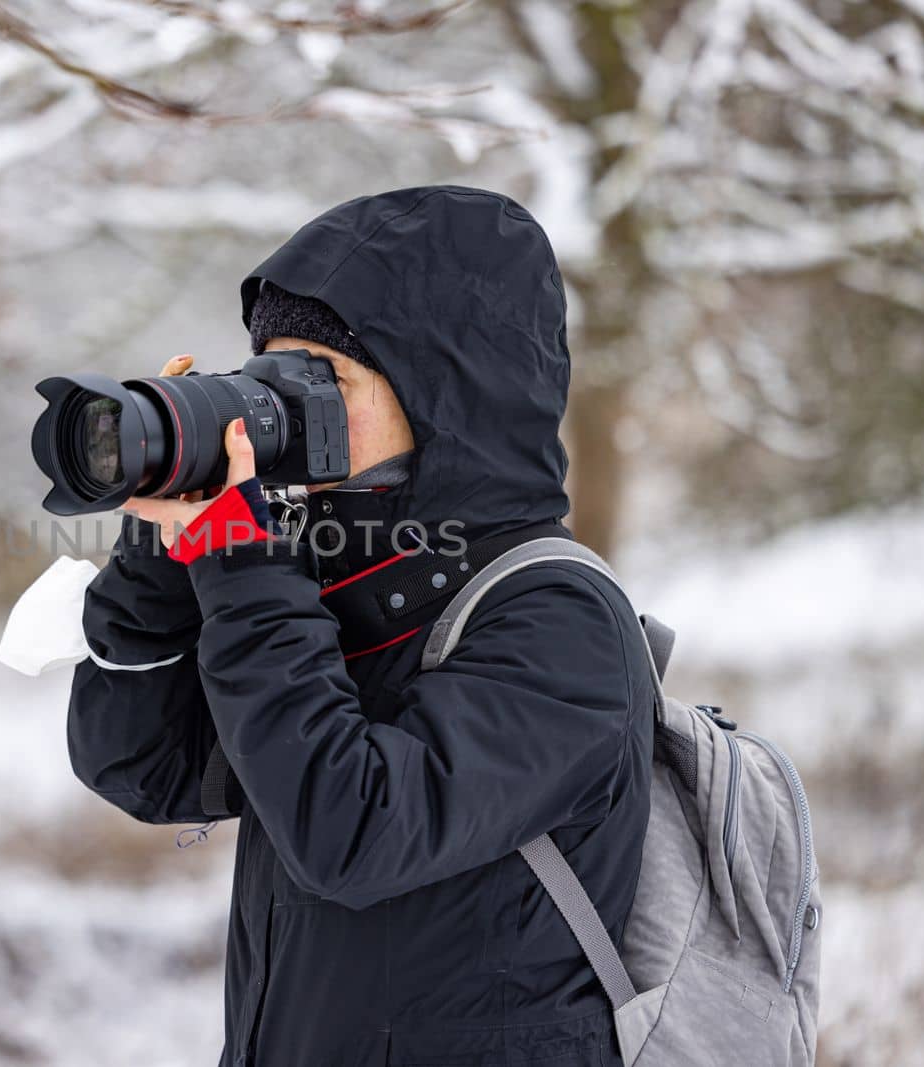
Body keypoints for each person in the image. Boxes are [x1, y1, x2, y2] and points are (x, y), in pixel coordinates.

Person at [66, 185, 654, 1067]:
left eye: (322, 382)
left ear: (444, 394)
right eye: (270, 373)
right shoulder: (334, 588)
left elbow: (352, 832)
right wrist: (166, 553)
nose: (282, 414)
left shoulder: (559, 618)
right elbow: (141, 766)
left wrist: (244, 562)